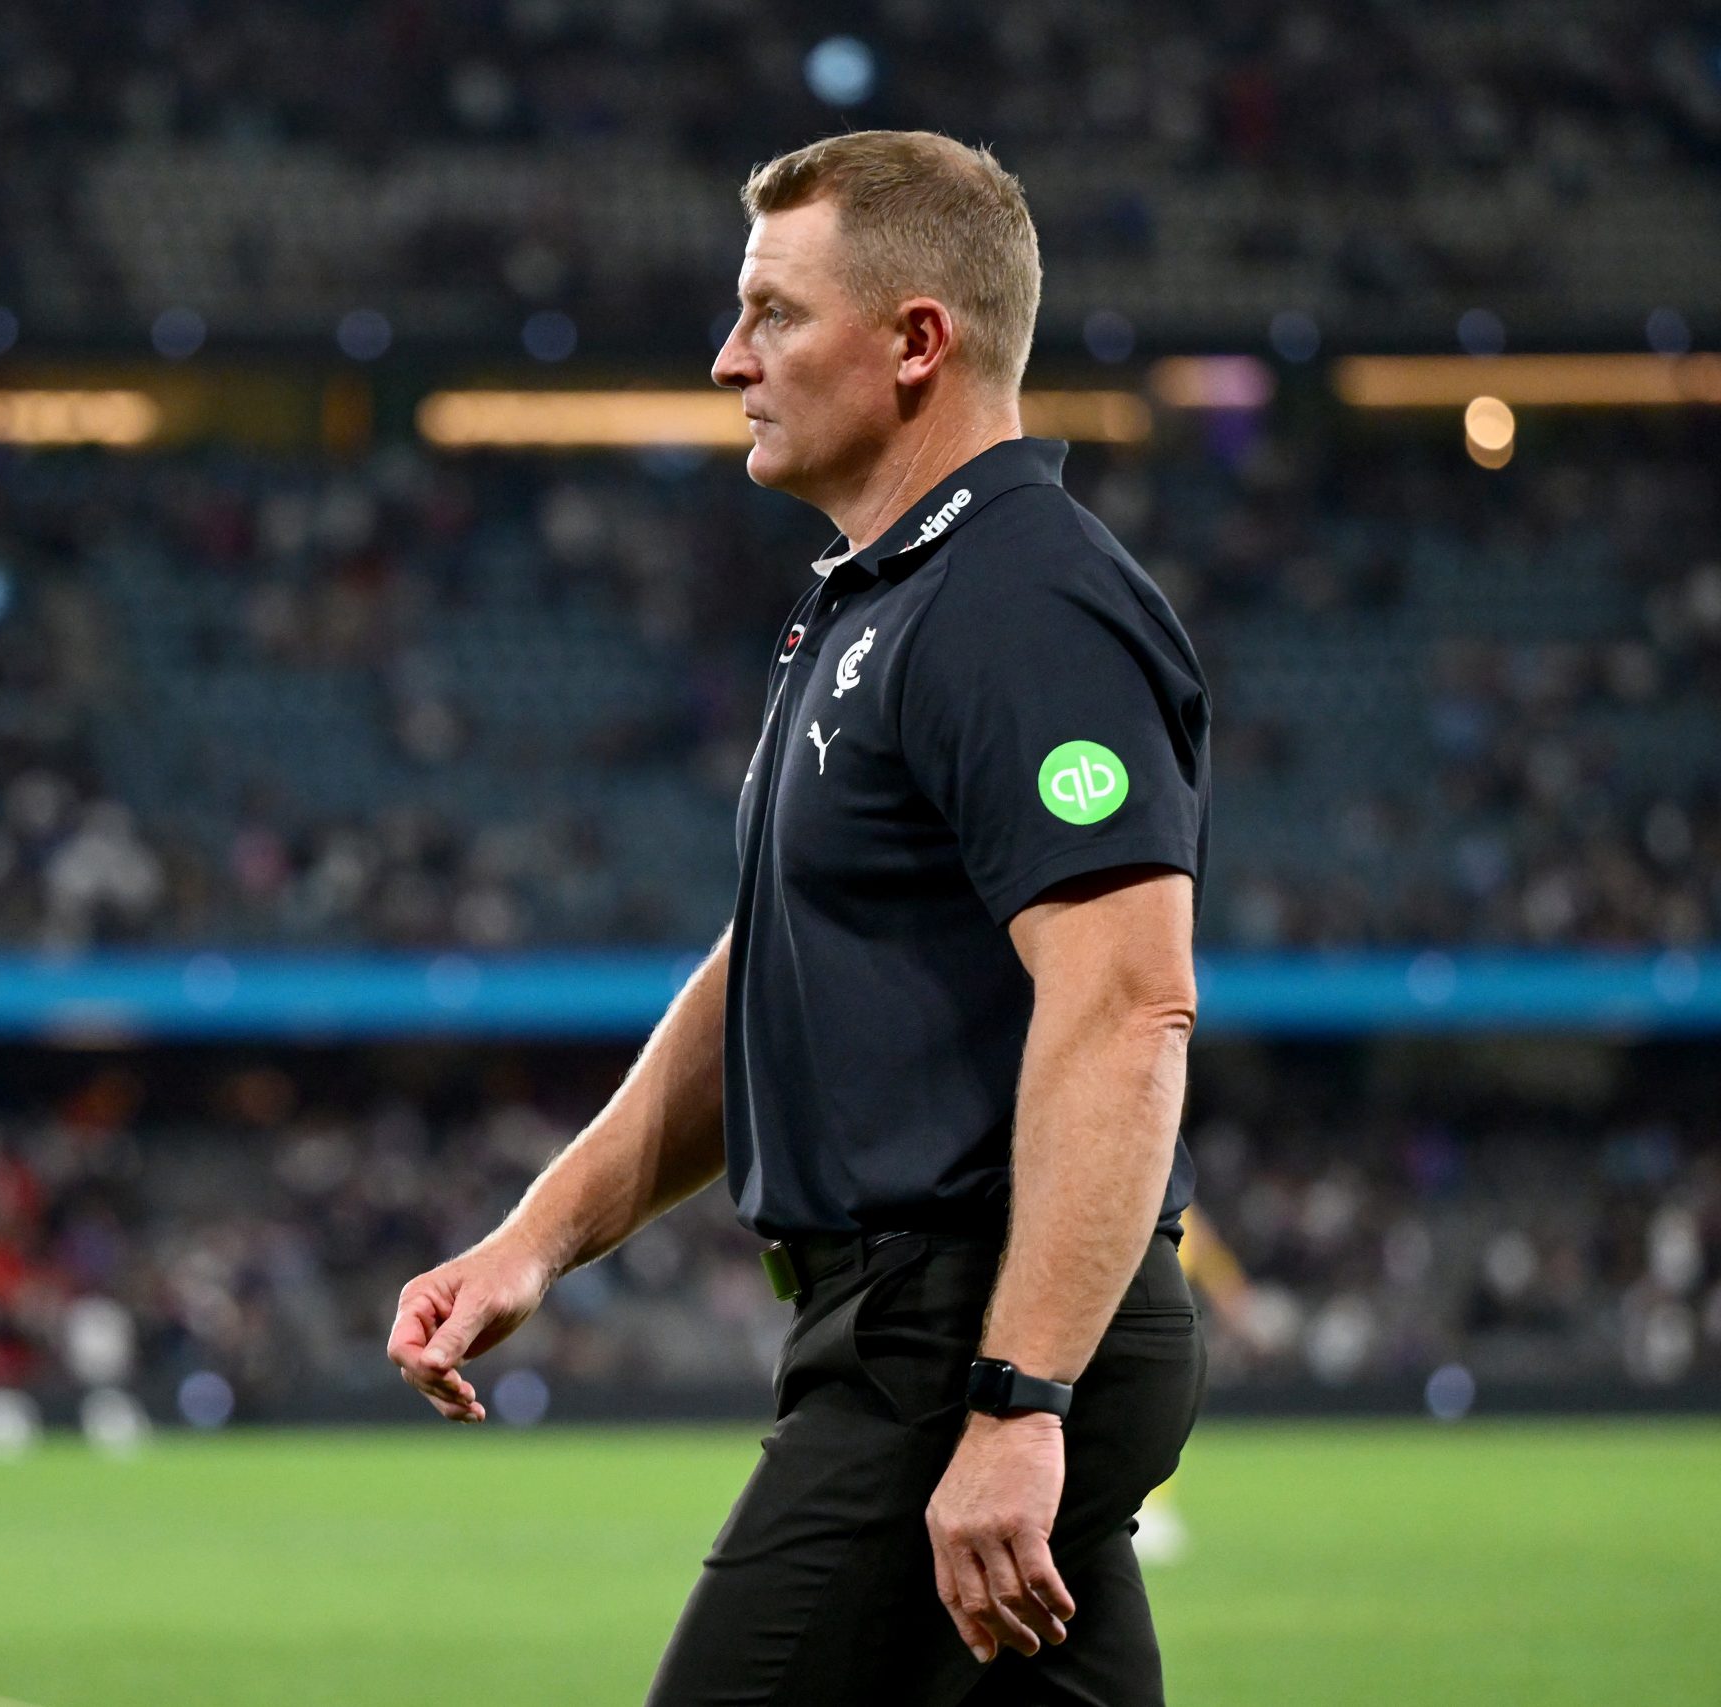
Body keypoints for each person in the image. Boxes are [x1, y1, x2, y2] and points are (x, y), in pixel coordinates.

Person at [388, 129, 1212, 1706]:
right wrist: (533, 1244)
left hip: (961, 1334)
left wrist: (1017, 1399)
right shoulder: (879, 601)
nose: (726, 359)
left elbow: (1126, 1009)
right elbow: (763, 972)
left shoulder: (1024, 603)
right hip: (937, 1323)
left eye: (772, 313)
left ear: (917, 343)